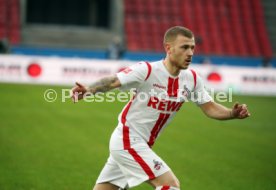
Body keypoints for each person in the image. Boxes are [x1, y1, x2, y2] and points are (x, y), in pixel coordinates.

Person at [71, 26, 250, 190]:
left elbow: (210, 108)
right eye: (184, 47)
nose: (190, 53)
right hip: (127, 141)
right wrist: (88, 89)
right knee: (170, 185)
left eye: (192, 48)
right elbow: (113, 81)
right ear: (168, 48)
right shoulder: (147, 70)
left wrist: (231, 113)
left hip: (140, 144)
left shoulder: (192, 79)